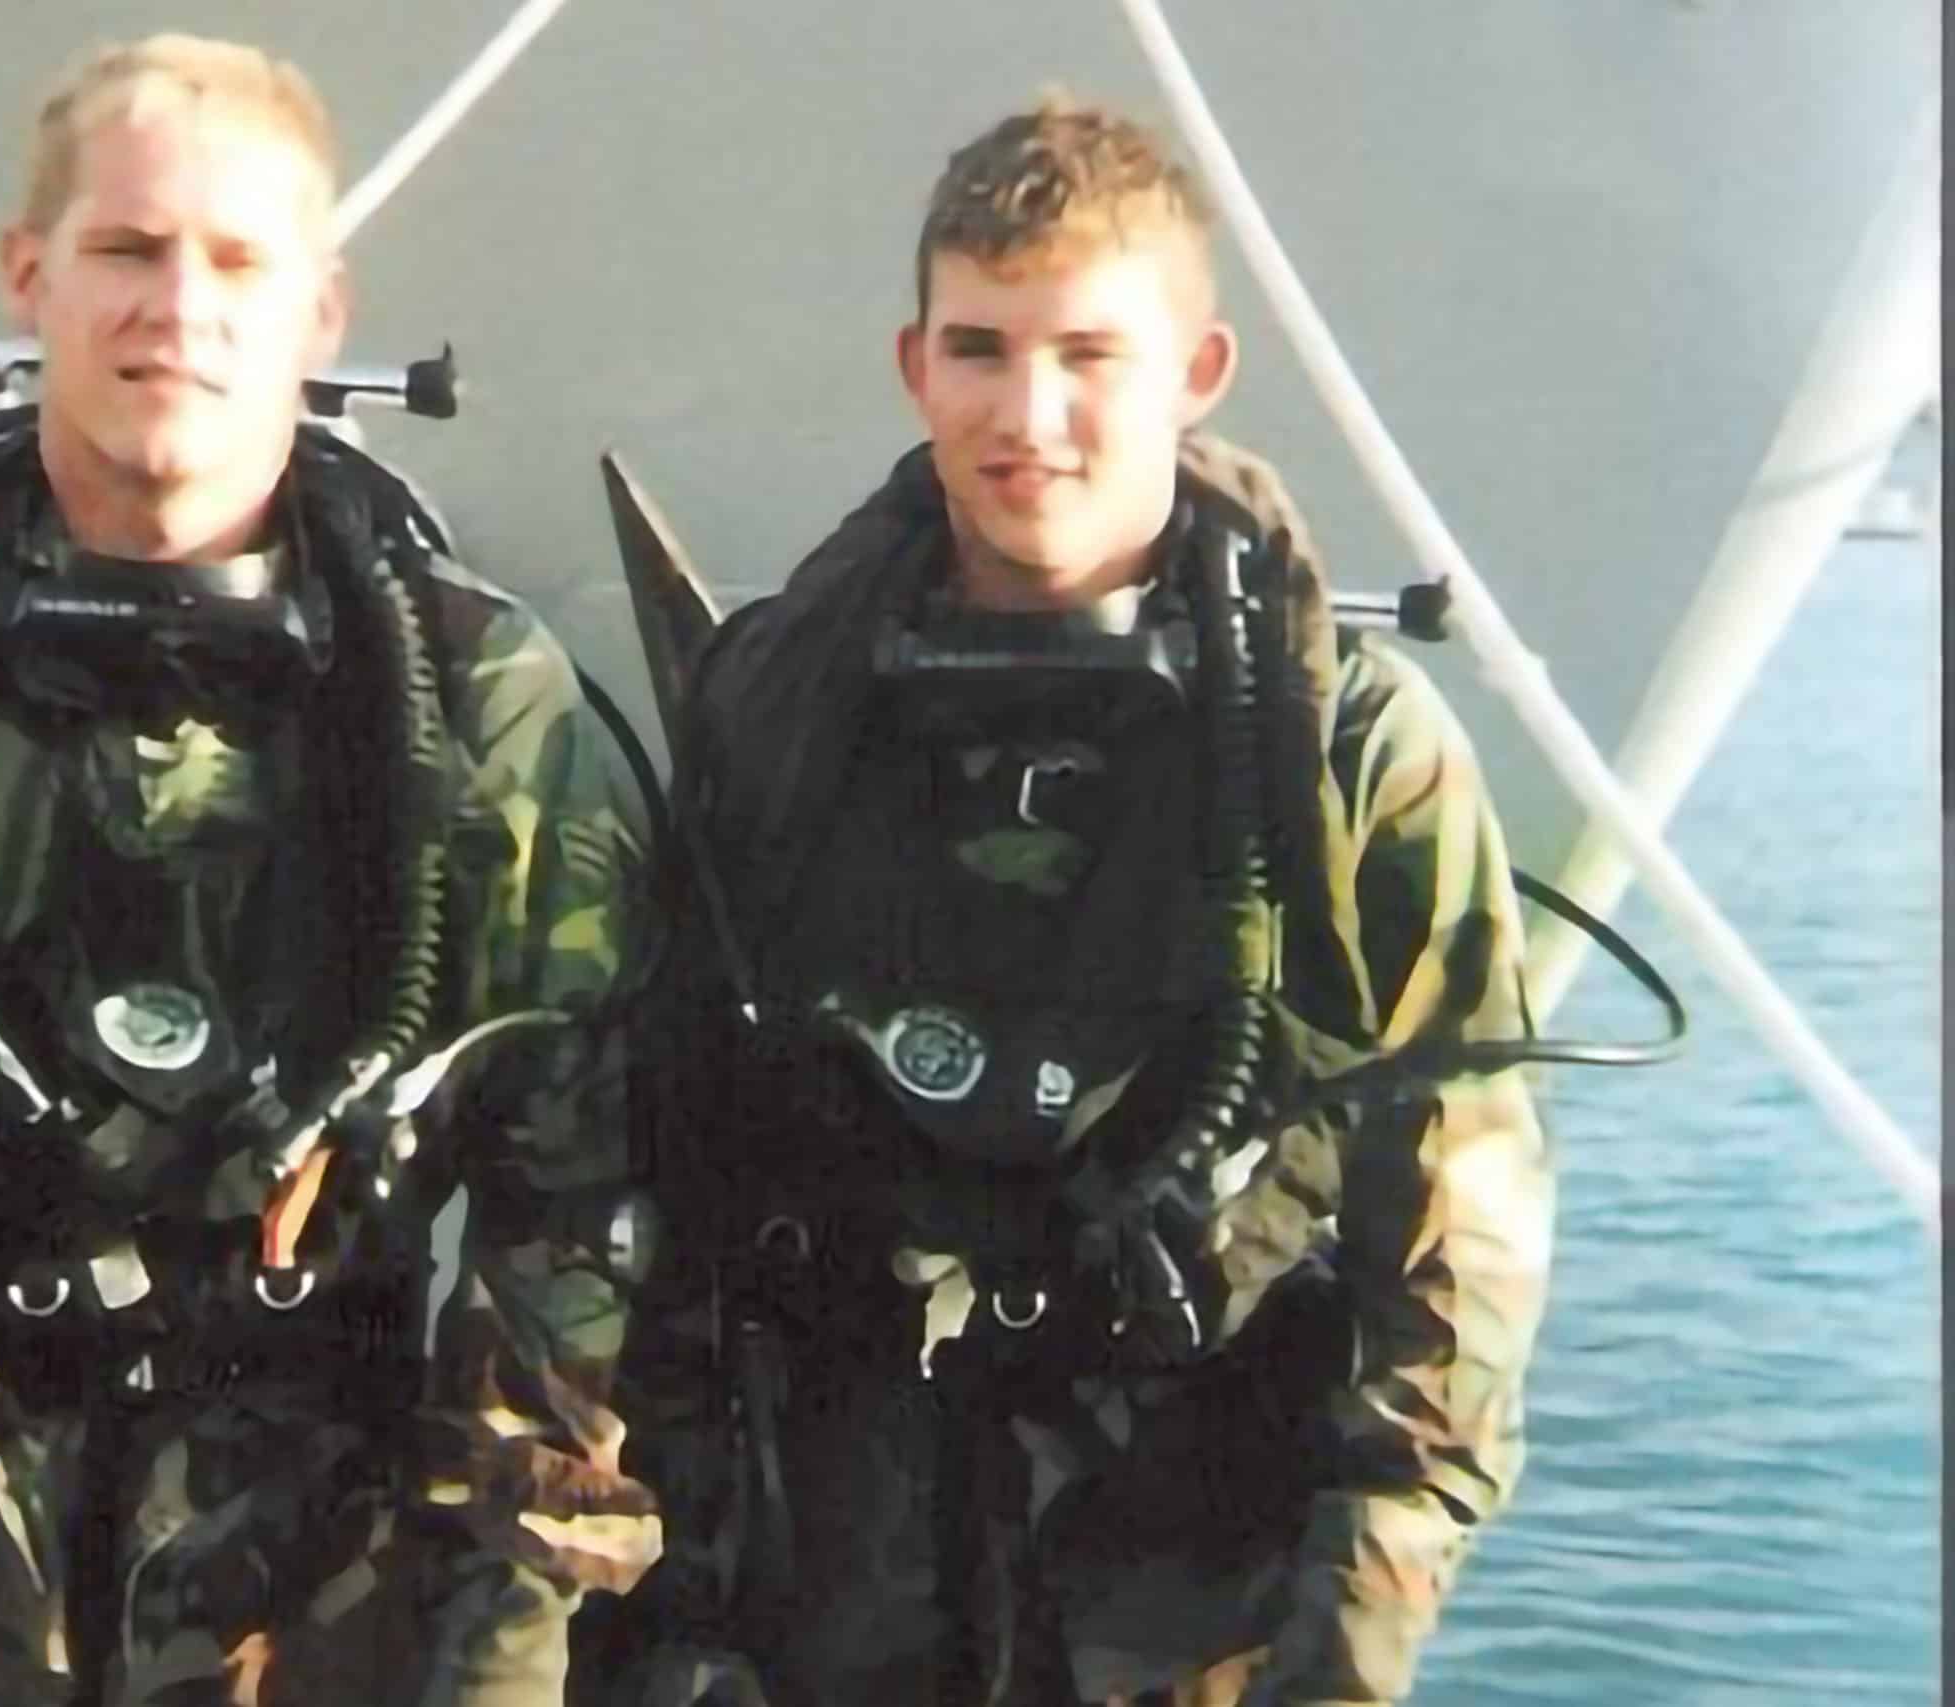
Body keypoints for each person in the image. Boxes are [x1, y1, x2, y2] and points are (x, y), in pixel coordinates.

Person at [0, 33, 661, 1706]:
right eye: (129, 250)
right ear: (29, 277)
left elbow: (574, 1209)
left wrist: (496, 1663)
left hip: (318, 1581)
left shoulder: (474, 700)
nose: (180, 308)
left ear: (322, 309)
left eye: (238, 261)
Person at [594, 98, 1553, 1706]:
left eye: (1089, 354)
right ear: (916, 366)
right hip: (829, 1580)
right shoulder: (777, 705)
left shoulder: (1348, 750)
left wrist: (1346, 1655)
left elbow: (1454, 1265)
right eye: (980, 348)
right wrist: (663, 1607)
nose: (1027, 414)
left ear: (1197, 371)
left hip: (1186, 1599)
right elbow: (650, 1153)